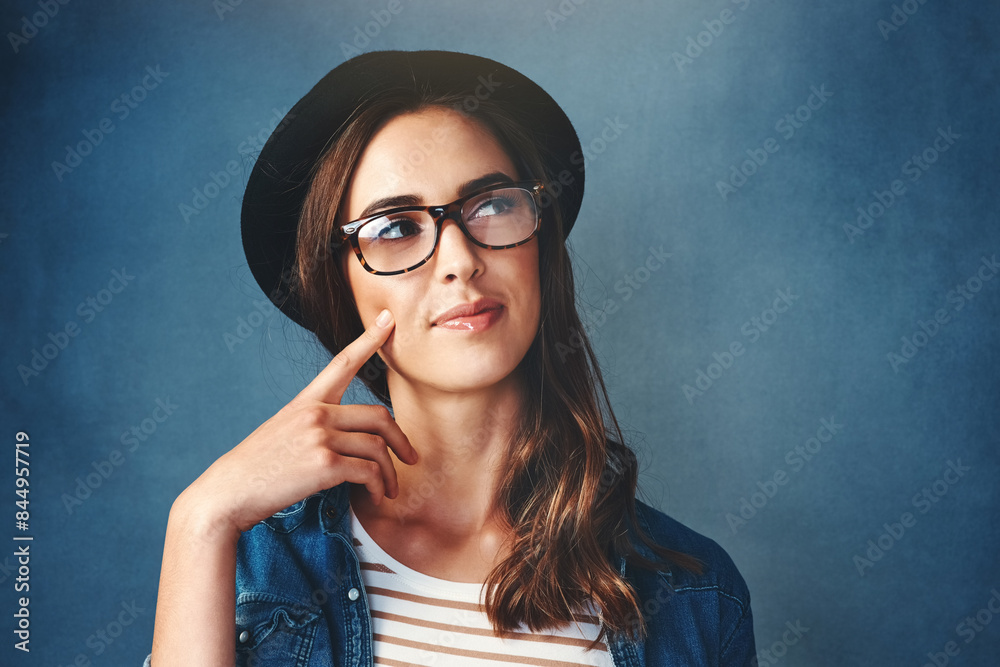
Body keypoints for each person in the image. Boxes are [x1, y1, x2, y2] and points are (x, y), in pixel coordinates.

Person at [146, 50, 756, 666]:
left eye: (491, 205)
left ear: (539, 245)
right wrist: (198, 520)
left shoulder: (694, 595)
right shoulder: (257, 570)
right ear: (341, 287)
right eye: (395, 228)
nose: (460, 259)